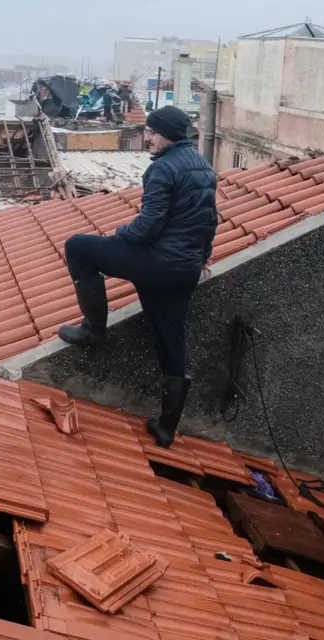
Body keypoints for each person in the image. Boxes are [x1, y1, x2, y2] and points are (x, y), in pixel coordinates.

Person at [60, 105, 218, 447]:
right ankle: (166, 429)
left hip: (157, 262)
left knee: (78, 247)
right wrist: (201, 258)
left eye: (152, 132)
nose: (147, 137)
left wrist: (118, 236)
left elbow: (147, 228)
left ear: (168, 135)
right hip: (183, 271)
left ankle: (93, 330)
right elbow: (209, 223)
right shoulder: (203, 166)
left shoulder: (163, 169)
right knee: (170, 343)